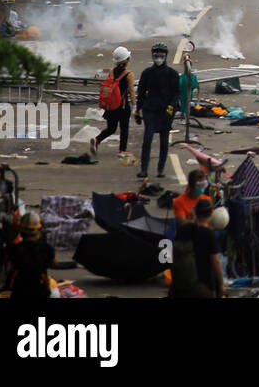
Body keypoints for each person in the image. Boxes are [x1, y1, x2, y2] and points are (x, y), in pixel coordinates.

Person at [135, 42, 179, 180]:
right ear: (153, 56)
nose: (159, 58)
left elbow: (176, 93)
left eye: (161, 55)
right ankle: (144, 169)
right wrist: (137, 110)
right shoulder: (147, 73)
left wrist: (171, 106)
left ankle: (160, 169)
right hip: (150, 110)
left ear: (165, 56)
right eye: (156, 55)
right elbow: (141, 92)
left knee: (164, 141)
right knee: (147, 139)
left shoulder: (172, 73)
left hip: (166, 112)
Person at [170, 197, 225, 298]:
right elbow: (215, 262)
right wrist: (221, 284)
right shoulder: (209, 235)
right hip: (203, 286)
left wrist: (191, 219)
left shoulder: (183, 229)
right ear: (211, 214)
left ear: (195, 212)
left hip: (180, 284)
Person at [92, 46, 134, 156]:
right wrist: (135, 105)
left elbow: (102, 75)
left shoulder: (111, 71)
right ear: (126, 60)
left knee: (111, 128)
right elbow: (131, 91)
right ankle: (122, 150)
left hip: (110, 106)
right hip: (123, 107)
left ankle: (97, 140)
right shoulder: (129, 74)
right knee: (124, 129)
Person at [7, 212, 55, 300]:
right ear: (38, 232)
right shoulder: (47, 248)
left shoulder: (15, 249)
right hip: (40, 288)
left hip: (20, 289)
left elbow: (12, 261)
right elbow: (53, 263)